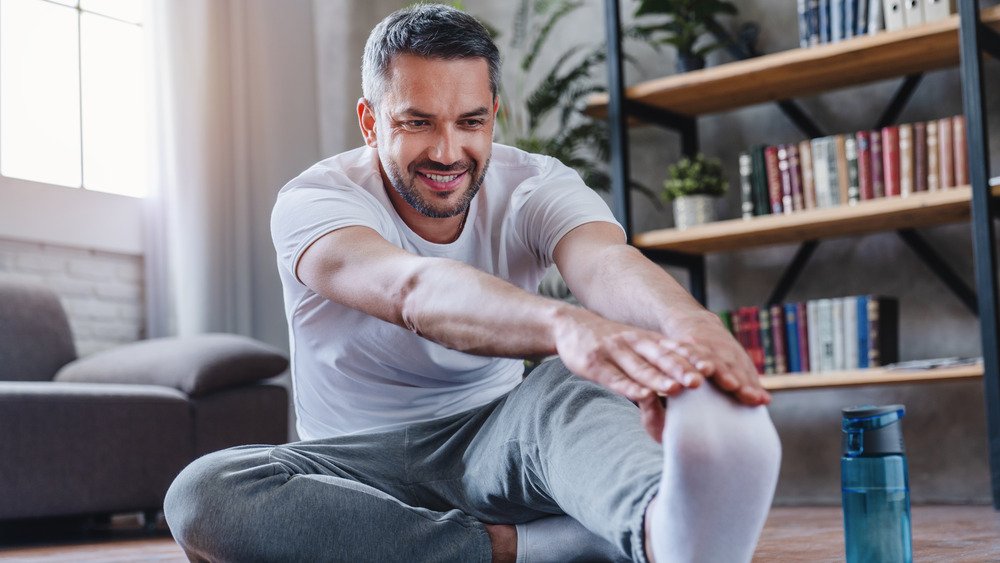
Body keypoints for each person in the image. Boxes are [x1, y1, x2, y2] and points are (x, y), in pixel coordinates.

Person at [164, 4, 781, 562]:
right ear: (370, 123)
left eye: (470, 121)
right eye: (417, 122)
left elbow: (602, 263)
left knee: (571, 382)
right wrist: (563, 325)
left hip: (499, 441)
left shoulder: (535, 184)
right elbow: (414, 292)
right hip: (354, 468)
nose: (448, 151)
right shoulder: (315, 201)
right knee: (203, 494)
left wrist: (691, 327)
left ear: (494, 117)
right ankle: (529, 548)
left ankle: (660, 527)